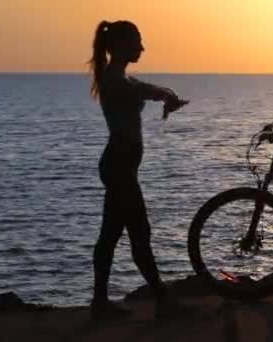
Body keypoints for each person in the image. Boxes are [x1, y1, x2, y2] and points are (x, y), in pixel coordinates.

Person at [88, 20, 189, 320]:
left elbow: (148, 88)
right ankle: (163, 300)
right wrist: (166, 95)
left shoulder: (119, 78)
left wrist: (167, 94)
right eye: (137, 43)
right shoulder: (116, 81)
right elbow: (146, 90)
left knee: (111, 235)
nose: (142, 48)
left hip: (121, 166)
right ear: (120, 46)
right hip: (119, 167)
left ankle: (100, 304)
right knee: (138, 233)